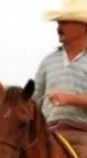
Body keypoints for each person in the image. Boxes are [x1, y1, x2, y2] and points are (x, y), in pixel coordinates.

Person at [33, 0, 87, 129]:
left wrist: (69, 99)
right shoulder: (48, 61)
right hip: (49, 131)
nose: (58, 28)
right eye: (58, 23)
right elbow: (34, 100)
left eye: (64, 23)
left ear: (83, 26)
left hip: (82, 131)